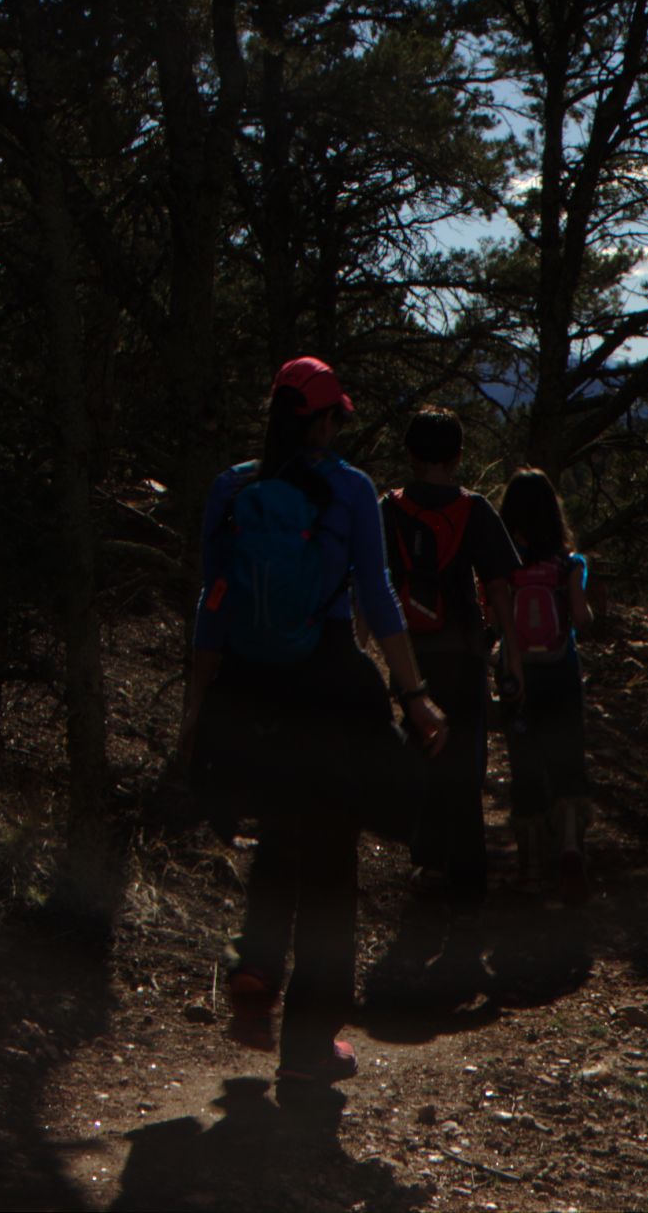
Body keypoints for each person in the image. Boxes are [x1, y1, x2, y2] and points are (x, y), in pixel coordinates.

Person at [178, 356, 448, 1093]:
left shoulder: (231, 487)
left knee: (277, 838)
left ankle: (256, 968)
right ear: (325, 420)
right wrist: (413, 692)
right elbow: (378, 598)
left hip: (247, 693)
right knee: (330, 868)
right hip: (326, 693)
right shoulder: (351, 490)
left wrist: (199, 707)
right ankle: (305, 1044)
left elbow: (211, 598)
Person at [380, 408, 524, 917]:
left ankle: (428, 863)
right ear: (459, 456)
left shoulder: (389, 509)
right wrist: (509, 647)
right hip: (464, 653)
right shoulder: (476, 510)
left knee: (422, 755)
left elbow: (372, 587)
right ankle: (467, 881)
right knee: (465, 764)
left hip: (411, 660)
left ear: (411, 455)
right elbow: (501, 587)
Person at [495, 467, 594, 903]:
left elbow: (493, 622)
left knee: (526, 764)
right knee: (567, 757)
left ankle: (530, 869)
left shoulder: (502, 565)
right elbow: (583, 619)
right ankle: (571, 845)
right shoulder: (569, 564)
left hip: (517, 674)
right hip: (561, 669)